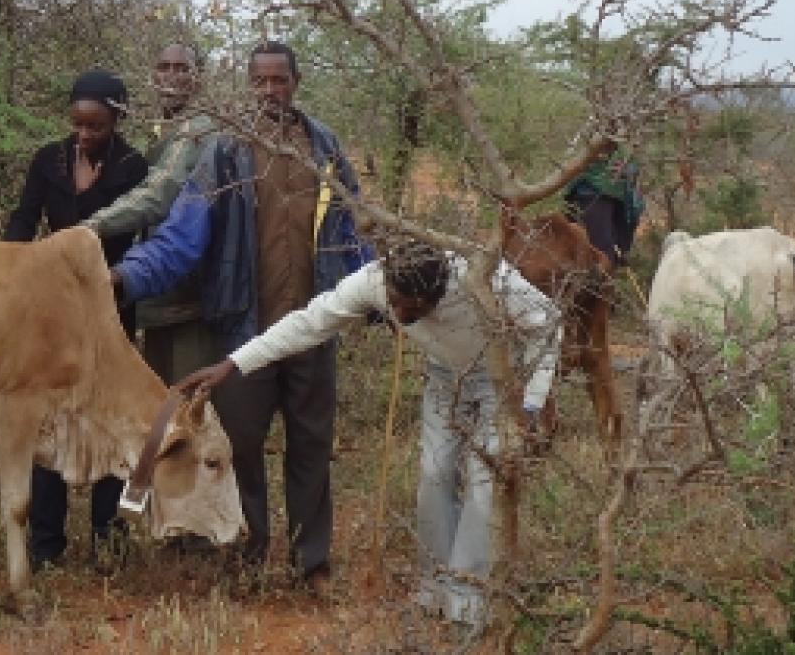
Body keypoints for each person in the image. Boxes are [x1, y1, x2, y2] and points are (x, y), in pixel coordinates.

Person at [178, 241, 561, 626]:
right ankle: (433, 590)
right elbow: (310, 323)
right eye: (394, 304)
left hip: (501, 375)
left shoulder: (482, 277)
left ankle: (467, 601)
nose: (399, 314)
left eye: (412, 308)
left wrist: (532, 402)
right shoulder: (375, 280)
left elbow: (547, 319)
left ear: (438, 293)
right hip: (445, 377)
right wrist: (234, 364)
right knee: (434, 475)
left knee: (484, 483)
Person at [109, 41, 370, 586]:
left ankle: (310, 562)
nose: (270, 92)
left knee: (311, 447)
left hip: (314, 327)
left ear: (296, 82)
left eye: (280, 81)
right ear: (248, 85)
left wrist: (377, 290)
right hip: (245, 334)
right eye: (261, 81)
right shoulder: (225, 151)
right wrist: (125, 276)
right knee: (243, 447)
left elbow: (351, 230)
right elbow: (181, 236)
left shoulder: (322, 146)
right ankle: (252, 548)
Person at [3, 68, 148, 570]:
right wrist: (12, 265)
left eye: (97, 126)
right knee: (49, 415)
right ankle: (46, 542)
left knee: (107, 417)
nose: (85, 135)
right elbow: (24, 218)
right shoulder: (49, 159)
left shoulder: (134, 166)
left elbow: (136, 233)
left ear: (117, 120)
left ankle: (109, 539)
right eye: (78, 125)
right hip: (48, 308)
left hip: (110, 306)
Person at [83, 44, 223, 385]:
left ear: (198, 79)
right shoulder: (165, 130)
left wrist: (86, 228)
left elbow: (158, 195)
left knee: (184, 407)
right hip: (164, 297)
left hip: (189, 297)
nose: (172, 76)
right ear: (153, 76)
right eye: (164, 67)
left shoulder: (197, 130)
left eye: (182, 68)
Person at [563, 147, 644, 267]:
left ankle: (607, 271)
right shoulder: (589, 140)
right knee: (602, 249)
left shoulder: (626, 145)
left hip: (619, 197)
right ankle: (599, 279)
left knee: (612, 248)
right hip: (590, 194)